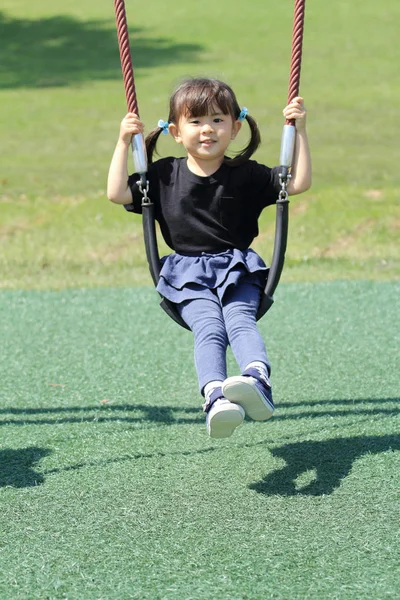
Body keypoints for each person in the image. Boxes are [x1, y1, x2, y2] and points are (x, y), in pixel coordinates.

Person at [107, 77, 312, 439]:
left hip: (237, 268)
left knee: (239, 318)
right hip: (187, 273)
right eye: (196, 121)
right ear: (175, 130)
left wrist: (301, 132)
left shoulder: (246, 174)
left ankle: (256, 378)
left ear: (235, 128)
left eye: (218, 120)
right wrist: (124, 142)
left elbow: (296, 184)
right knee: (209, 327)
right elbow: (116, 193)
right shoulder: (163, 175)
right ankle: (215, 397)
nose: (208, 130)